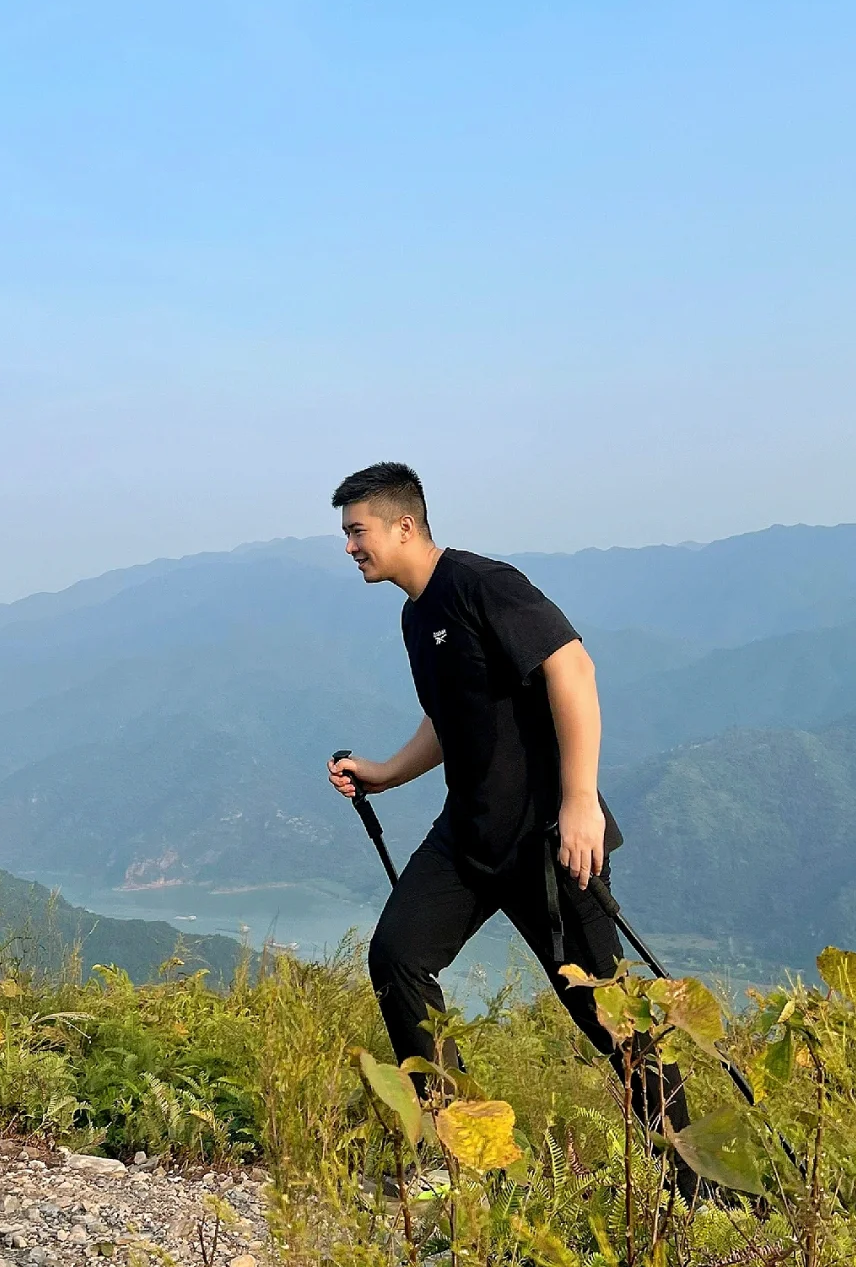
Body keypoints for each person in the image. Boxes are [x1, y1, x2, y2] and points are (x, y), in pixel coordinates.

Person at [327, 460, 697, 1197]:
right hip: (468, 836)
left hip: (551, 840)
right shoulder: (414, 614)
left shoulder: (483, 584)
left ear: (404, 525)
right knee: (397, 955)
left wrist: (581, 800)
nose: (349, 547)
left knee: (609, 1017)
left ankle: (697, 1184)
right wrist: (383, 773)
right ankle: (468, 1153)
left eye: (356, 530)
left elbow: (573, 668)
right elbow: (450, 717)